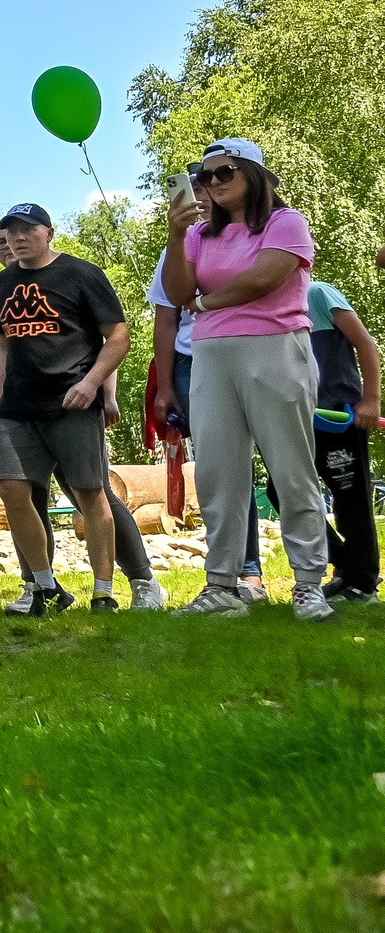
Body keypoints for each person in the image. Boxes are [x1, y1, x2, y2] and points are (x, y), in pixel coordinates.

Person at [164, 139, 333, 620]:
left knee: (290, 466)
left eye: (225, 172)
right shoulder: (198, 234)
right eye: (207, 174)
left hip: (275, 346)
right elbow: (178, 292)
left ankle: (308, 584)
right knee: (218, 470)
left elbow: (266, 277)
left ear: (255, 174)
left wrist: (208, 302)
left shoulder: (286, 222)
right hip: (211, 355)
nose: (214, 182)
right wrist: (177, 238)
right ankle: (222, 583)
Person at [0, 204, 131, 615]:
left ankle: (104, 592)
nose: (17, 237)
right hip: (17, 406)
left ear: (49, 232)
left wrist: (93, 384)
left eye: (27, 229)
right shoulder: (0, 284)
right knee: (11, 488)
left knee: (89, 492)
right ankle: (46, 588)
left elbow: (118, 337)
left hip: (73, 401)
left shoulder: (81, 274)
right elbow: (3, 344)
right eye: (9, 232)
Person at [308, 280, 379, 602]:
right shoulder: (263, 307)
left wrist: (372, 400)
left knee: (351, 500)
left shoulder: (317, 294)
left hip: (340, 414)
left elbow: (366, 344)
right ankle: (353, 566)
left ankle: (361, 584)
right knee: (282, 493)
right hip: (299, 418)